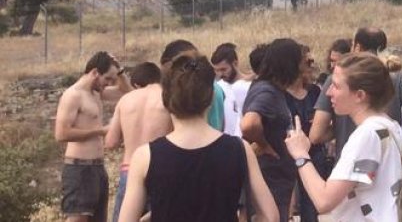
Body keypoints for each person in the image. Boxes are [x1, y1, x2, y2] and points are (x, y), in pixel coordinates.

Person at [118, 52, 276, 222]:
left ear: (166, 100)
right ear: (210, 99)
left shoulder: (145, 156)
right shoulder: (239, 149)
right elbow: (270, 216)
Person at [284, 53, 402, 222]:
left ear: (360, 95)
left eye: (336, 86)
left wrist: (301, 156)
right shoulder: (391, 126)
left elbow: (324, 200)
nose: (328, 92)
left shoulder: (366, 135)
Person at [309, 27, 402, 175]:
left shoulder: (336, 80)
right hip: (390, 169)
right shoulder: (397, 78)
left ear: (357, 47)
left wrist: (339, 128)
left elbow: (315, 135)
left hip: (350, 172)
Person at [56, 51, 131, 222]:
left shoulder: (97, 93)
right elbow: (61, 133)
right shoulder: (73, 95)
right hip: (79, 168)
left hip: (98, 167)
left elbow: (127, 93)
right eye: (107, 79)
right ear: (95, 73)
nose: (109, 84)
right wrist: (100, 131)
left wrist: (119, 72)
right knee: (78, 218)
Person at [242, 37, 304, 222]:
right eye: (300, 61)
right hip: (269, 178)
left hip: (276, 178)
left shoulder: (272, 90)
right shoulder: (266, 91)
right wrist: (264, 144)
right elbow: (249, 124)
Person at [106, 60, 169, 222]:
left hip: (130, 169)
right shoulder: (169, 98)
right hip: (161, 170)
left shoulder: (126, 100)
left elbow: (111, 142)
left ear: (136, 84)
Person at [286, 45, 325, 222]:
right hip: (287, 154)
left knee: (311, 205)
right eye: (307, 61)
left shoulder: (315, 92)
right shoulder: (279, 94)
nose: (311, 65)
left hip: (314, 153)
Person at [212, 42, 252, 138]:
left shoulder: (250, 87)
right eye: (217, 70)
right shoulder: (217, 88)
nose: (220, 74)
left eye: (223, 69)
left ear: (235, 63)